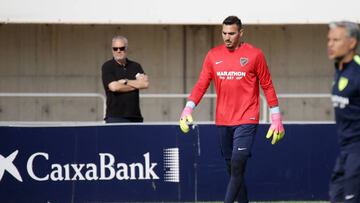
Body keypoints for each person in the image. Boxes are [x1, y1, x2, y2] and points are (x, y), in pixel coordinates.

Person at [179, 16, 285, 203]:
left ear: (241, 33)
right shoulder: (213, 55)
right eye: (224, 33)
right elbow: (202, 84)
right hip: (223, 120)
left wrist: (276, 117)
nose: (227, 37)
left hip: (247, 118)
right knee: (234, 171)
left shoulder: (255, 54)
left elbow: (267, 85)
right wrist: (188, 108)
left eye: (231, 33)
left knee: (237, 165)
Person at [327, 21, 360, 203]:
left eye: (336, 40)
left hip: (358, 150)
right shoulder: (339, 69)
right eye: (329, 39)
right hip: (345, 150)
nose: (330, 44)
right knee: (336, 196)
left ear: (352, 43)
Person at [101, 35, 149, 123]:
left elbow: (145, 84)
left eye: (121, 48)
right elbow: (114, 87)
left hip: (135, 117)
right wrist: (136, 85)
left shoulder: (135, 66)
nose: (118, 51)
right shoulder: (107, 66)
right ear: (112, 50)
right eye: (115, 48)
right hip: (115, 117)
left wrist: (125, 81)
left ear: (126, 49)